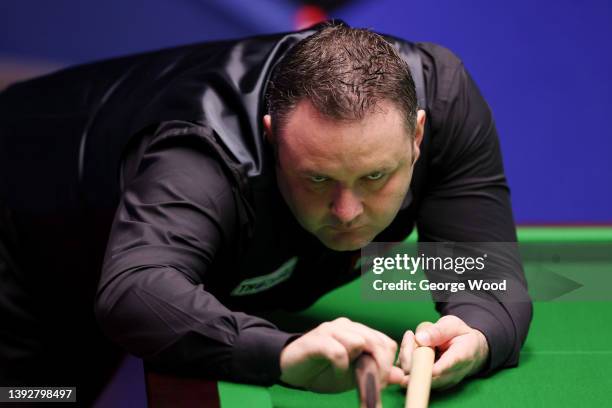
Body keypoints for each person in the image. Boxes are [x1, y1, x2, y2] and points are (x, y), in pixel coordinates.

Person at [0, 21, 532, 403]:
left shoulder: (444, 99)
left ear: (417, 134)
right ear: (273, 137)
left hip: (131, 238)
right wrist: (280, 353)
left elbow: (483, 271)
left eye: (375, 177)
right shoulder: (203, 158)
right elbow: (135, 291)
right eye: (317, 178)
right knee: (41, 396)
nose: (348, 213)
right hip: (27, 238)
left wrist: (480, 331)